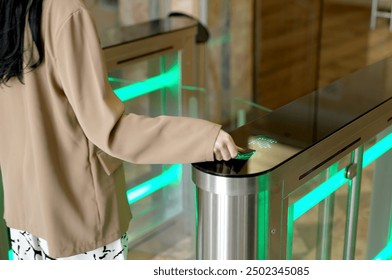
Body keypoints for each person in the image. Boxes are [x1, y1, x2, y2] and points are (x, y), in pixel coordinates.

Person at [0, 0, 241, 260]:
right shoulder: (66, 12)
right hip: (79, 219)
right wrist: (204, 138)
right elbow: (112, 132)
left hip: (24, 217)